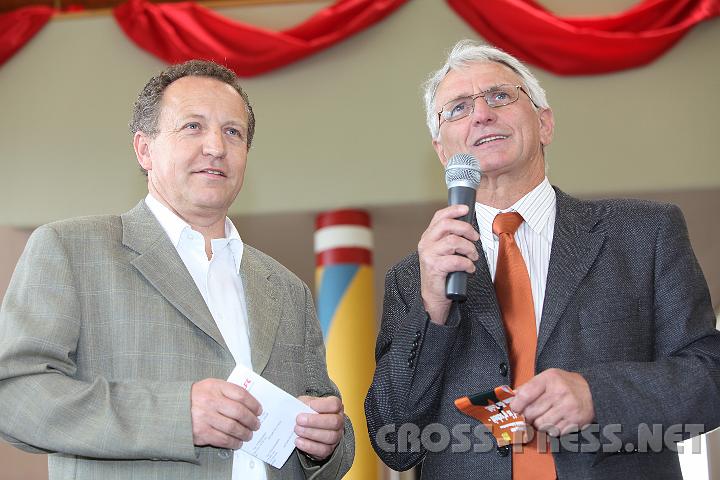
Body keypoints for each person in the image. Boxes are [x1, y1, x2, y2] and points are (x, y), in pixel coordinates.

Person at [365, 39, 720, 479]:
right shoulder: (414, 276)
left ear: (544, 123)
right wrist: (432, 312)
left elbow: (709, 378)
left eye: (499, 96)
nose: (481, 114)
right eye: (457, 108)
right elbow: (391, 437)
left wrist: (597, 396)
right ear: (442, 151)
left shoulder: (644, 234)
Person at [0, 60, 354, 479]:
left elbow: (329, 431)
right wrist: (176, 416)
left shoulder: (287, 288)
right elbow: (15, 396)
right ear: (144, 149)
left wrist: (328, 442)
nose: (216, 147)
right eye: (192, 126)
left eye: (232, 132)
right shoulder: (71, 249)